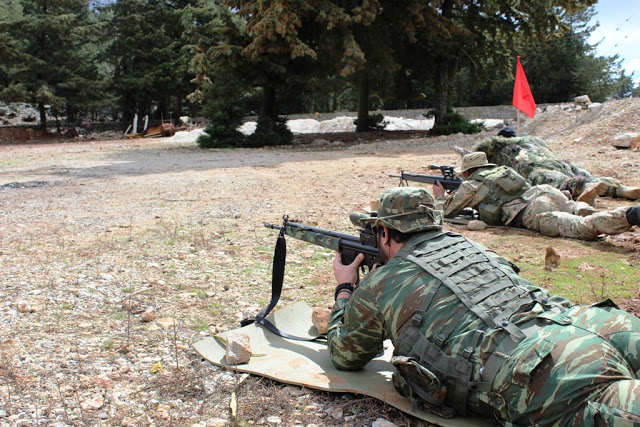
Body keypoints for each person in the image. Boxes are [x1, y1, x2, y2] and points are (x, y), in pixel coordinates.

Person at [327, 186, 640, 425]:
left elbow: (346, 354)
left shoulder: (379, 284)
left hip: (545, 370)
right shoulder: (470, 245)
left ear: (384, 232)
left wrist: (345, 289)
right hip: (590, 322)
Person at [432, 151, 640, 240]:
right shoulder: (500, 171)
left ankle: (631, 215)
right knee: (579, 211)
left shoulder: (472, 184)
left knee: (582, 226)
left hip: (533, 210)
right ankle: (585, 207)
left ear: (467, 171)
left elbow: (447, 211)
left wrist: (440, 195)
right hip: (545, 193)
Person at [472, 135, 640, 204]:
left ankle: (585, 189)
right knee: (583, 175)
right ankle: (621, 189)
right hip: (558, 162)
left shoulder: (501, 152)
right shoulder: (533, 140)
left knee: (559, 181)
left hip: (534, 167)